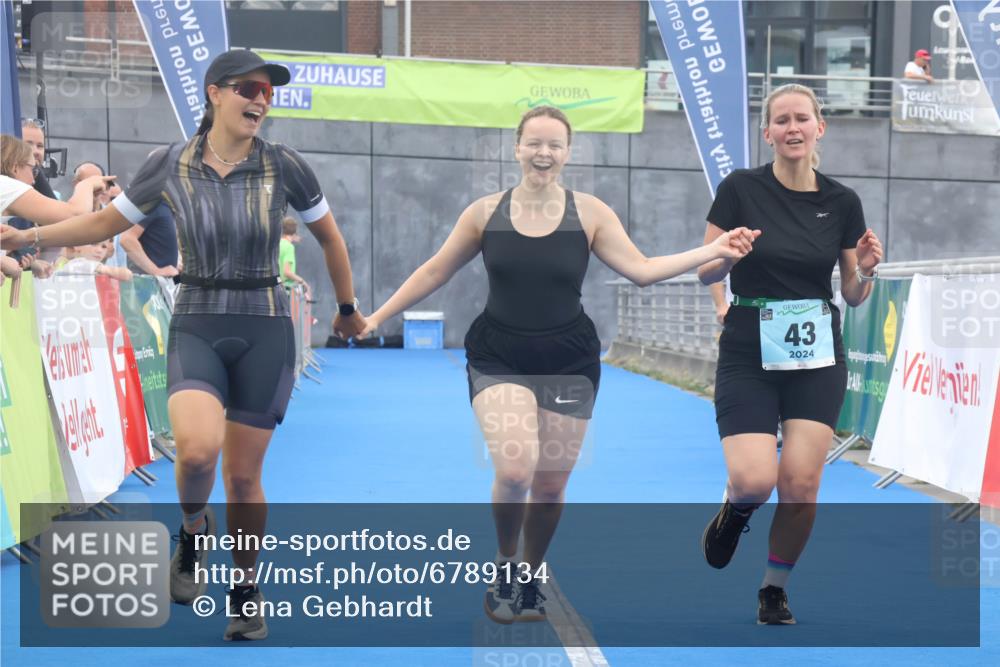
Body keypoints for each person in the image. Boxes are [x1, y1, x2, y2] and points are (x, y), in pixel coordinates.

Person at [1, 49, 367, 641]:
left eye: (269, 92)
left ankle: (246, 590)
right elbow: (102, 225)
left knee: (245, 479)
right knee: (196, 453)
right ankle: (194, 530)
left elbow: (330, 238)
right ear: (215, 93)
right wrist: (31, 233)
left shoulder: (287, 166)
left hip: (264, 325)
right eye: (250, 88)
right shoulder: (168, 163)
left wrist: (348, 310)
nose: (261, 99)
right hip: (197, 317)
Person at [360, 105, 758, 624]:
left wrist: (714, 250)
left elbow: (641, 270)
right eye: (534, 143)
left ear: (567, 153)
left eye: (554, 145)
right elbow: (435, 269)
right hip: (498, 354)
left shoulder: (590, 212)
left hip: (570, 358)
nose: (543, 153)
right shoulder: (484, 212)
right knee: (515, 468)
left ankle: (529, 575)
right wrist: (374, 317)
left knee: (549, 486)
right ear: (517, 147)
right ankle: (504, 564)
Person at [697, 83, 883, 625]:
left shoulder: (842, 201)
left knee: (801, 484)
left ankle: (773, 589)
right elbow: (706, 269)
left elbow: (851, 292)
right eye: (782, 120)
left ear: (819, 127)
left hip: (815, 351)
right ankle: (735, 512)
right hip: (749, 345)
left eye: (802, 118)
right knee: (756, 480)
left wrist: (867, 268)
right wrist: (727, 259)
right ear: (768, 133)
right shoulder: (739, 189)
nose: (793, 128)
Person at [278, 216, 310, 297]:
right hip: (285, 291)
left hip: (277, 288)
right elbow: (287, 272)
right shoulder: (289, 247)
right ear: (295, 231)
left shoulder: (278, 244)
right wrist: (302, 282)